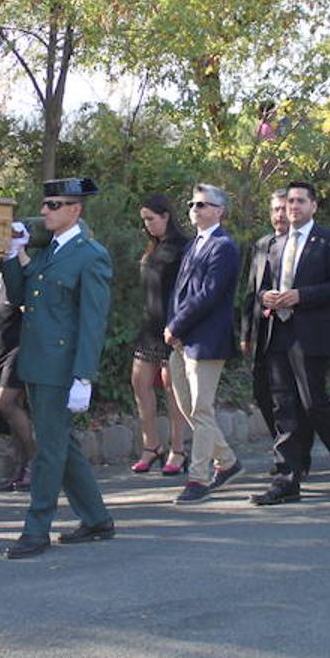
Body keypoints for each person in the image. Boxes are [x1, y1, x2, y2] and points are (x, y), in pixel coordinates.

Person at [0, 178, 115, 559]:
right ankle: (97, 518)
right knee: (61, 443)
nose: (45, 211)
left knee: (48, 451)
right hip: (38, 364)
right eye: (45, 204)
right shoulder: (50, 251)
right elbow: (19, 297)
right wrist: (11, 255)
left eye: (54, 205)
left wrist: (84, 375)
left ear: (74, 210)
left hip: (60, 368)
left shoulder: (90, 254)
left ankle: (37, 529)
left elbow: (92, 321)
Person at [249, 181, 330, 506]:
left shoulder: (329, 240)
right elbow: (261, 286)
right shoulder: (274, 243)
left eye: (300, 201)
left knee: (314, 402)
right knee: (283, 405)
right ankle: (288, 478)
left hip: (311, 332)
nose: (292, 207)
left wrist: (302, 296)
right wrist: (265, 296)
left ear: (313, 206)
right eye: (289, 202)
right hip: (278, 331)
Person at [163, 184, 242, 504]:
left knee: (200, 408)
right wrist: (173, 326)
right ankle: (228, 461)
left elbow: (207, 295)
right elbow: (180, 292)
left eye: (202, 204)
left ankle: (198, 478)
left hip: (206, 341)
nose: (195, 209)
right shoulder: (195, 244)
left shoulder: (224, 247)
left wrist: (176, 326)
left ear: (219, 211)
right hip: (182, 337)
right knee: (188, 407)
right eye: (192, 203)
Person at [130, 194, 191, 475]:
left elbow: (188, 290)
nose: (147, 225)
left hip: (172, 327)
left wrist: (180, 327)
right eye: (144, 220)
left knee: (172, 388)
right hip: (148, 325)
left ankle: (178, 449)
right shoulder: (153, 247)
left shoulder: (183, 246)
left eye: (151, 219)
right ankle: (151, 445)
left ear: (166, 216)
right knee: (140, 383)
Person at [240, 189, 291, 474]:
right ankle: (281, 444)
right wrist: (245, 333)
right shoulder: (262, 244)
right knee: (262, 392)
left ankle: (290, 454)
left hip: (292, 332)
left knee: (288, 396)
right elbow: (251, 291)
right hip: (264, 329)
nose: (279, 215)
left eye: (283, 209)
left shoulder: (300, 244)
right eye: (274, 209)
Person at [0, 231, 35, 491]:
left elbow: (30, 310)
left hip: (20, 349)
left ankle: (33, 462)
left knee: (4, 403)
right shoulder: (0, 273)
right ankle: (21, 467)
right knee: (12, 408)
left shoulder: (20, 271)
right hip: (3, 349)